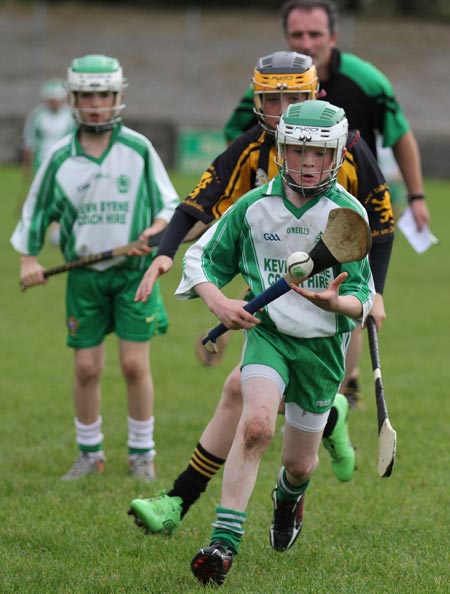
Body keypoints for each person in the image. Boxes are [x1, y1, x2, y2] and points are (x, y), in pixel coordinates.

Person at [127, 51, 393, 533]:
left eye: (293, 97)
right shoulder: (252, 151)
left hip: (322, 320)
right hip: (268, 304)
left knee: (288, 450)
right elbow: (199, 204)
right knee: (248, 409)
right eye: (274, 99)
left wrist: (374, 293)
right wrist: (172, 255)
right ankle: (185, 507)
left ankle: (313, 435)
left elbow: (381, 224)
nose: (282, 109)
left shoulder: (351, 153)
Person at [180, 100, 375, 586]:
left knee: (298, 463)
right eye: (297, 152)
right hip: (268, 336)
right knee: (258, 426)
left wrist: (338, 306)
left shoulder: (347, 214)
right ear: (281, 149)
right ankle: (223, 545)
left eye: (319, 155)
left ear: (336, 157)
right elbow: (200, 260)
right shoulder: (254, 207)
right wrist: (219, 303)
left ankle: (287, 499)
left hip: (322, 349)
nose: (307, 164)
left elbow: (361, 297)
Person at [224, 0, 429, 407]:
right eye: (297, 35)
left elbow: (401, 135)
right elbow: (236, 137)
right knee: (289, 296)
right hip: (289, 209)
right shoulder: (268, 84)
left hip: (354, 210)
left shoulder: (366, 81)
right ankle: (304, 394)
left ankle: (338, 392)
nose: (307, 42)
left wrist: (417, 195)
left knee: (346, 301)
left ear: (332, 37)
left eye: (315, 34)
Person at [11, 54, 179, 481]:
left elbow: (169, 205)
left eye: (104, 94)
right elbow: (35, 213)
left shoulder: (138, 149)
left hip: (131, 275)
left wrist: (155, 231)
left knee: (134, 365)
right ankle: (90, 453)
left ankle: (142, 454)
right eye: (87, 95)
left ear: (118, 96)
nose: (96, 104)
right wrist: (29, 259)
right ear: (74, 99)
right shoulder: (58, 158)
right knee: (87, 367)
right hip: (84, 276)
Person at [21, 79, 75, 245]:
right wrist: (27, 167)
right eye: (51, 100)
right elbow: (29, 142)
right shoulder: (37, 116)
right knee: (47, 197)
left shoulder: (70, 116)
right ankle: (47, 228)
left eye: (57, 99)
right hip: (42, 163)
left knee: (63, 195)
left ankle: (58, 228)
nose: (54, 103)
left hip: (65, 163)